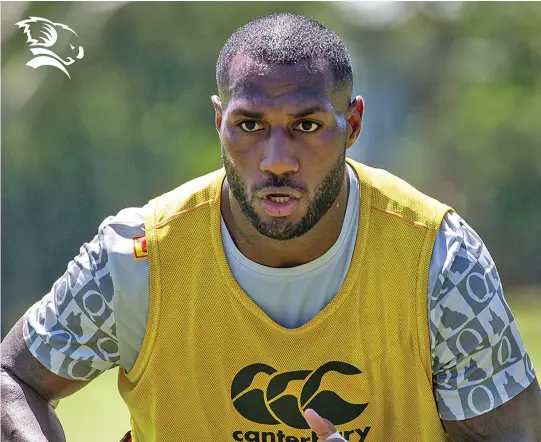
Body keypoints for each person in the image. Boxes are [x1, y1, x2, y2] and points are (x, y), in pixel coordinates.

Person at [1, 12, 540, 442]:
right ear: (219, 122)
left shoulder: (439, 260)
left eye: (307, 125)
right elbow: (14, 379)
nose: (276, 159)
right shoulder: (139, 258)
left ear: (351, 125)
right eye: (249, 125)